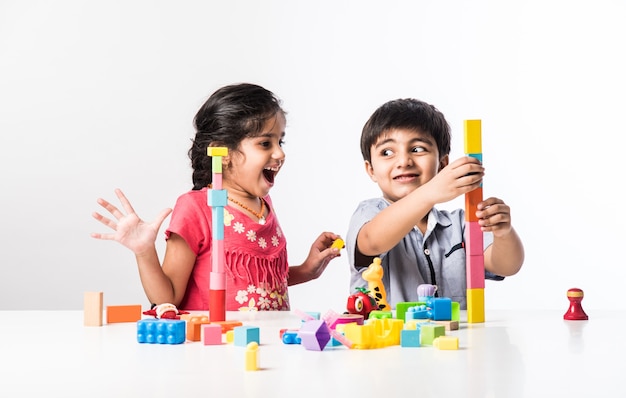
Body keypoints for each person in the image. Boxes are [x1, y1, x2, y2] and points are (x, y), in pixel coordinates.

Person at [92, 83, 342, 311]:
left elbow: (259, 283)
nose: (280, 153)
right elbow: (167, 299)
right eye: (265, 143)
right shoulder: (196, 208)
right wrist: (144, 251)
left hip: (267, 346)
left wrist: (307, 270)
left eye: (280, 141)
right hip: (218, 350)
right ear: (222, 152)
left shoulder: (264, 205)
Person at [346, 98, 524, 310]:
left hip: (454, 340)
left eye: (418, 149)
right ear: (371, 170)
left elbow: (507, 265)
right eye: (387, 152)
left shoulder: (460, 223)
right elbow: (371, 242)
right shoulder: (370, 212)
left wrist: (503, 233)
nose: (404, 161)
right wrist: (429, 193)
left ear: (442, 164)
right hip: (390, 342)